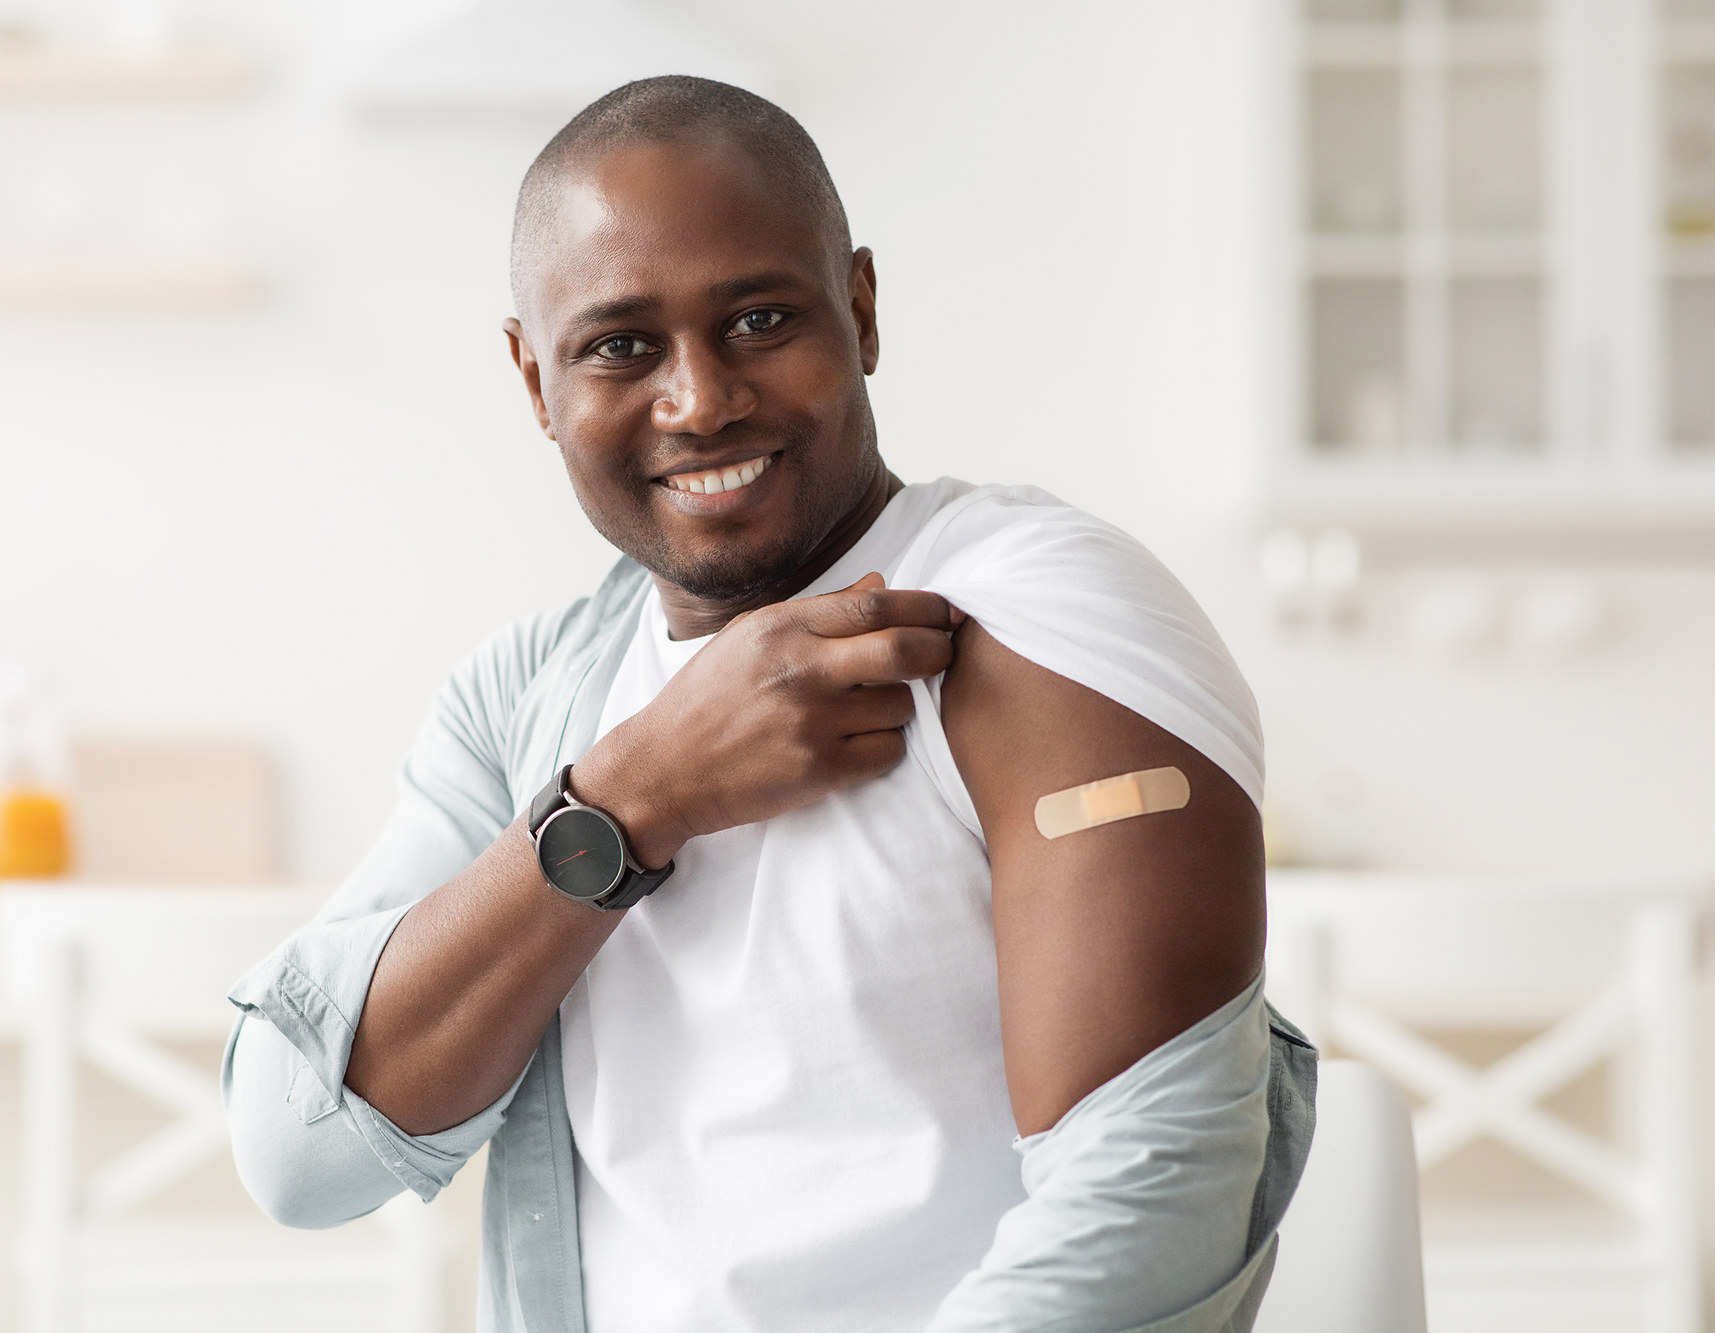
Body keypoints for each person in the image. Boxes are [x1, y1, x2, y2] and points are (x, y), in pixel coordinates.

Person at [223, 76, 1315, 1333]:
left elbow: (1148, 1196)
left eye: (755, 320)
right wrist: (636, 796)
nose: (700, 399)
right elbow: (298, 1148)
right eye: (620, 346)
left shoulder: (1032, 610)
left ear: (857, 308)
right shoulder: (526, 697)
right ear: (534, 381)